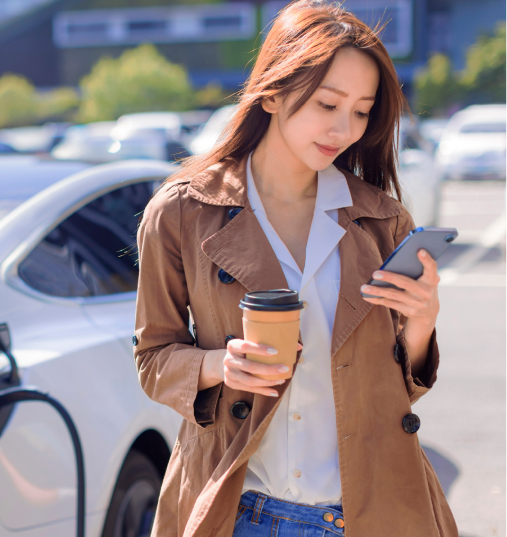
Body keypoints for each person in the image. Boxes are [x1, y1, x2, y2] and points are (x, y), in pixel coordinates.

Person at [132, 1, 458, 536]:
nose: (343, 129)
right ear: (274, 91)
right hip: (241, 512)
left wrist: (421, 324)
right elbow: (153, 359)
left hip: (372, 513)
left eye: (361, 111)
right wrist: (220, 365)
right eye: (327, 104)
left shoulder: (382, 220)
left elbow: (400, 387)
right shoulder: (183, 212)